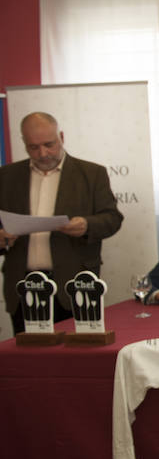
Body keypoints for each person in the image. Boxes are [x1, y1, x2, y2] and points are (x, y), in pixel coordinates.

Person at [0, 112, 123, 334]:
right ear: (24, 144)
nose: (43, 153)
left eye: (49, 144)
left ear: (62, 137)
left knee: (76, 362)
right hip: (23, 286)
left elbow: (112, 219)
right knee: (26, 363)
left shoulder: (91, 174)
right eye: (33, 147)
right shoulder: (6, 177)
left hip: (75, 285)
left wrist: (87, 225)